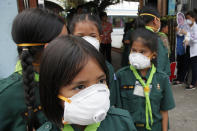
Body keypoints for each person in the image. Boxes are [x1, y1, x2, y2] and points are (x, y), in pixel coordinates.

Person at [38, 35, 137, 131]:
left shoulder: (122, 123)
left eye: (101, 81)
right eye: (80, 87)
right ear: (53, 91)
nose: (95, 95)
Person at [0, 8, 67, 131]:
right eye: (66, 41)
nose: (71, 46)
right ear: (49, 49)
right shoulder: (5, 96)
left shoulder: (69, 78)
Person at [116, 28, 175, 131]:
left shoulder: (162, 78)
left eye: (142, 52)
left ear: (154, 55)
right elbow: (116, 110)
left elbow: (164, 111)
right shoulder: (121, 76)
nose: (136, 55)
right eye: (134, 50)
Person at [68, 13, 120, 106]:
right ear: (71, 37)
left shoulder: (108, 68)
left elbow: (112, 101)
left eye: (92, 36)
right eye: (80, 37)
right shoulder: (65, 66)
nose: (86, 41)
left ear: (100, 39)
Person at [134, 6, 171, 76]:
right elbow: (160, 65)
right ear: (155, 20)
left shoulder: (134, 35)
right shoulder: (156, 39)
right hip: (152, 82)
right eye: (159, 20)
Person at [180, 11, 197, 89]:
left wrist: (187, 34)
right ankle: (182, 79)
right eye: (186, 19)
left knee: (194, 67)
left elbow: (194, 39)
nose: (187, 20)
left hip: (194, 50)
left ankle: (193, 84)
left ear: (194, 19)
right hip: (188, 48)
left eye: (189, 18)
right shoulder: (187, 25)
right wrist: (185, 40)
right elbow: (183, 34)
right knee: (185, 64)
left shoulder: (196, 27)